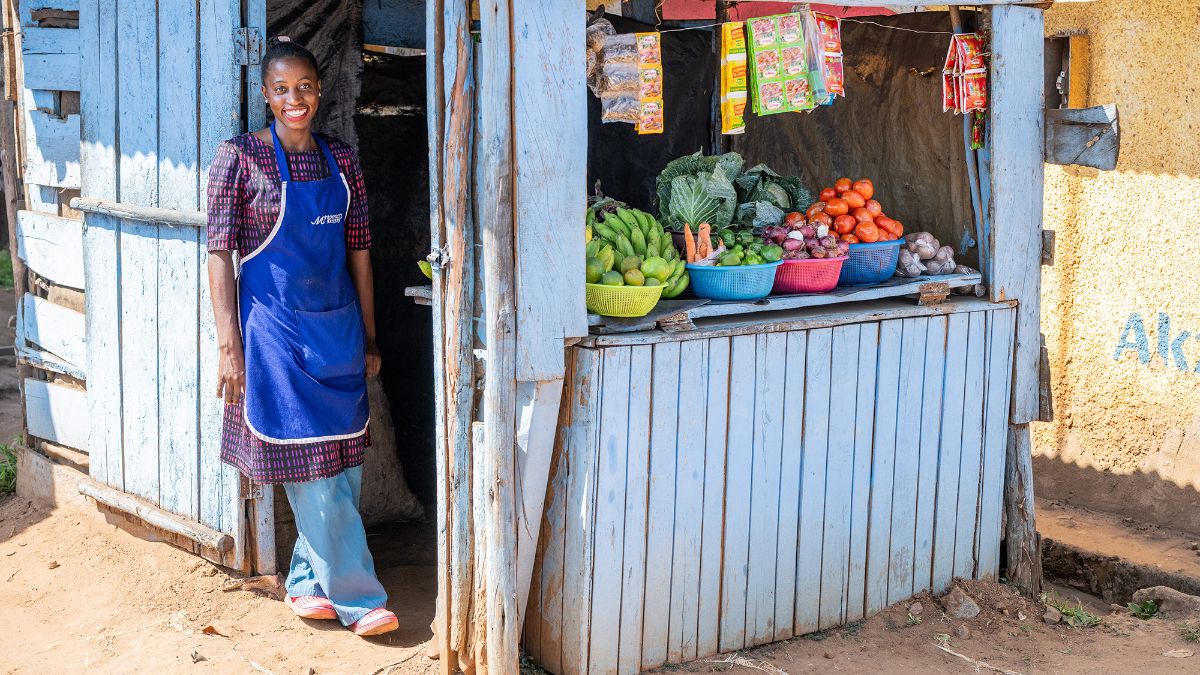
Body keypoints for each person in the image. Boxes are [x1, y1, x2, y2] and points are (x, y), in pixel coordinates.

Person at [205, 36, 397, 637]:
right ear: (265, 94)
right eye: (282, 89)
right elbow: (218, 255)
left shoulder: (340, 160)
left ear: (320, 91)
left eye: (306, 88)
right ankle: (359, 596)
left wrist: (367, 333)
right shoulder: (238, 159)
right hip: (276, 337)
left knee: (341, 463)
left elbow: (359, 249)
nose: (296, 100)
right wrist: (228, 346)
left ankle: (307, 582)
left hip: (337, 327)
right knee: (311, 467)